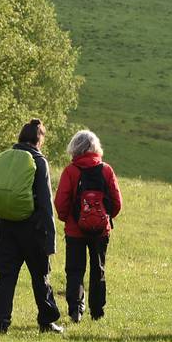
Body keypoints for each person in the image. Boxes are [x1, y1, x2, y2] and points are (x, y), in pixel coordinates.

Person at [0, 118, 64, 334]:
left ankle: (1, 321)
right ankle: (46, 322)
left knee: (6, 275)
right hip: (33, 229)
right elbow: (45, 202)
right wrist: (50, 239)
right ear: (39, 139)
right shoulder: (39, 162)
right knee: (40, 277)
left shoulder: (4, 157)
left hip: (5, 226)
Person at [53, 130, 122, 322]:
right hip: (101, 230)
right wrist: (106, 218)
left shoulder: (71, 171)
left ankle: (76, 310)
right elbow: (117, 202)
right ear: (95, 148)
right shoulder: (106, 170)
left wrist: (67, 219)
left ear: (75, 148)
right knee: (97, 268)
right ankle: (97, 311)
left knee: (75, 270)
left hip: (75, 230)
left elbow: (60, 202)